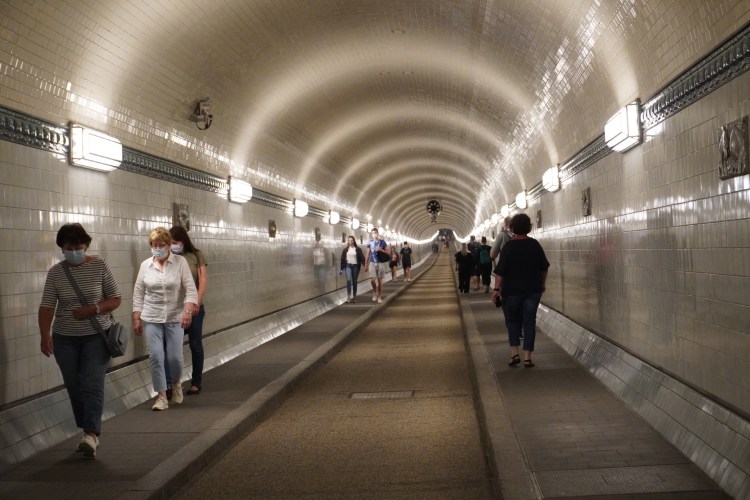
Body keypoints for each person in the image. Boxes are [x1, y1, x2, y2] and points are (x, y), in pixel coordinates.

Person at [39, 223, 122, 459]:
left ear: (86, 246)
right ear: (62, 248)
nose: (74, 251)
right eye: (69, 248)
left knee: (92, 382)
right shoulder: (56, 273)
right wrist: (44, 335)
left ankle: (91, 434)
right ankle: (87, 428)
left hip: (96, 336)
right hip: (65, 339)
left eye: (78, 247)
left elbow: (115, 298)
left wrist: (93, 309)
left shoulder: (99, 266)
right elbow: (47, 307)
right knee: (74, 384)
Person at [133, 227, 198, 411]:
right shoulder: (145, 265)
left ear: (169, 245)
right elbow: (138, 292)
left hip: (175, 316)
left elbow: (190, 289)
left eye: (161, 245)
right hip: (151, 317)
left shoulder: (180, 262)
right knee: (156, 356)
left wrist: (187, 312)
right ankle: (161, 396)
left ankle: (176, 382)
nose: (158, 248)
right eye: (154, 245)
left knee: (174, 357)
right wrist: (136, 317)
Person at [491, 214, 549, 368]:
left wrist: (496, 289)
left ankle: (514, 353)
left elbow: (500, 271)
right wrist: (542, 284)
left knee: (512, 321)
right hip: (532, 290)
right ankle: (528, 358)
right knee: (529, 322)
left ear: (512, 227)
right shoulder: (535, 245)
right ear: (529, 227)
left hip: (512, 291)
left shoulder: (509, 247)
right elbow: (544, 267)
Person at [169, 226, 208, 395]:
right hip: (175, 308)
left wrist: (196, 302)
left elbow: (203, 280)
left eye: (175, 242)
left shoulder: (196, 255)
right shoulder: (168, 257)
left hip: (195, 307)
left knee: (195, 344)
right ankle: (171, 384)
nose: (172, 245)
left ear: (183, 241)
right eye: (170, 242)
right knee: (172, 346)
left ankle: (196, 382)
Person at [364, 227, 388, 304]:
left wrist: (382, 250)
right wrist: (366, 264)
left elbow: (388, 252)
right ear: (371, 234)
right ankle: (375, 292)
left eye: (375, 233)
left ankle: (379, 296)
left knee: (380, 280)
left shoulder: (382, 242)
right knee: (372, 279)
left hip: (380, 262)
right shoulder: (370, 243)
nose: (374, 234)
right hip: (372, 262)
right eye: (373, 233)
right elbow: (368, 254)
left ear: (378, 233)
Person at [340, 235, 365, 303]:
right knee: (348, 280)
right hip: (348, 266)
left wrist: (365, 265)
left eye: (351, 240)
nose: (350, 241)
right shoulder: (345, 250)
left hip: (355, 266)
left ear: (354, 241)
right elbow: (342, 259)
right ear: (348, 241)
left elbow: (362, 258)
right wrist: (341, 269)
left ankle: (354, 297)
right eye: (349, 240)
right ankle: (349, 296)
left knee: (354, 281)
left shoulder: (358, 249)